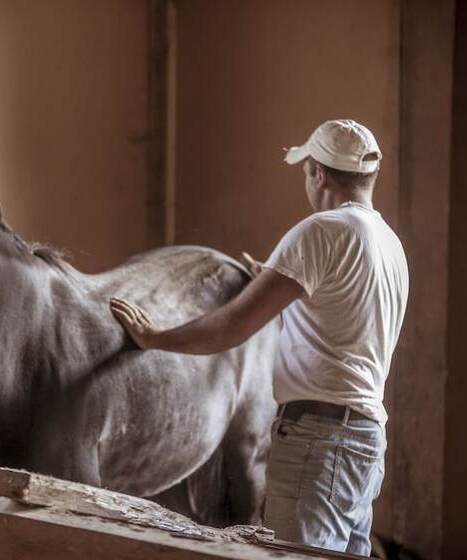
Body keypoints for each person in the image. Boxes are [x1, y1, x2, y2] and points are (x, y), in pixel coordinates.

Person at [110, 119, 408, 556]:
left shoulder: (320, 232)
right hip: (364, 440)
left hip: (317, 441)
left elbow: (231, 326)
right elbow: (337, 318)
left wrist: (154, 338)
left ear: (320, 174)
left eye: (307, 170)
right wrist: (271, 283)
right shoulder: (388, 243)